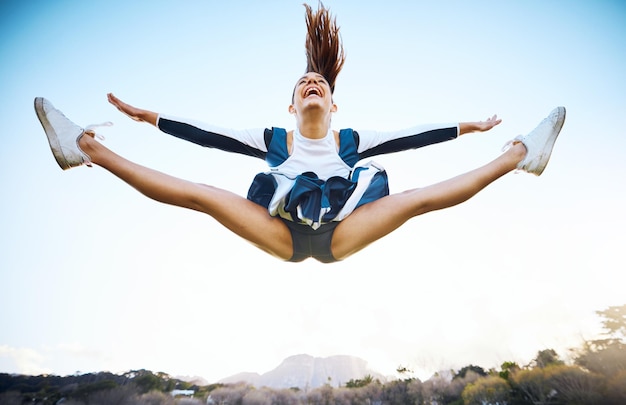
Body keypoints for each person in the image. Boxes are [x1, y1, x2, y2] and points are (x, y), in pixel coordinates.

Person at [34, 4, 565, 263]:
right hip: (283, 233)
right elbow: (202, 134)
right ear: (291, 105)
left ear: (333, 103)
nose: (312, 83)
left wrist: (468, 126)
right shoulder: (271, 140)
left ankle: (520, 154)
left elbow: (414, 136)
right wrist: (149, 117)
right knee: (200, 195)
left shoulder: (354, 140)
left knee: (418, 200)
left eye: (320, 83)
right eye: (303, 83)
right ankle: (85, 148)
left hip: (341, 232)